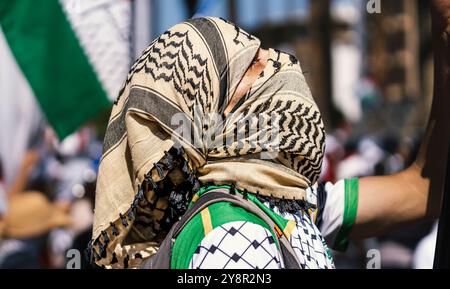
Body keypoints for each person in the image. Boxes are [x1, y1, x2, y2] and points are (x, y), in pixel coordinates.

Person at [89, 1, 450, 269]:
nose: (276, 61)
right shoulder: (234, 238)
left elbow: (422, 190)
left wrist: (443, 29)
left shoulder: (282, 202)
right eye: (252, 62)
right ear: (216, 115)